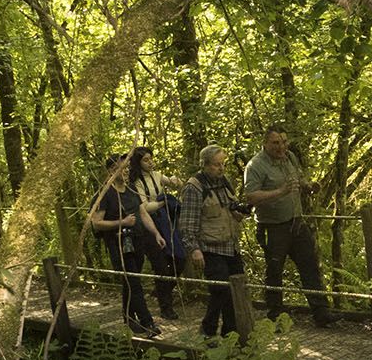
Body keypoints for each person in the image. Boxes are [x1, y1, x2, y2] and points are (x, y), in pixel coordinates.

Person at [243, 125, 335, 327]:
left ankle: (321, 311)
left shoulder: (290, 157)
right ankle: (275, 315)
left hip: (297, 222)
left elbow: (298, 178)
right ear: (265, 143)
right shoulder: (255, 166)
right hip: (272, 227)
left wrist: (308, 186)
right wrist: (280, 192)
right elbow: (251, 196)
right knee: (275, 270)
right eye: (276, 143)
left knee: (310, 265)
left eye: (284, 142)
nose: (281, 146)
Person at [179, 145, 250, 340]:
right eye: (217, 165)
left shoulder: (224, 182)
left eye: (223, 164)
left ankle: (231, 334)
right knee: (220, 289)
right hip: (210, 247)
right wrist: (194, 249)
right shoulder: (194, 188)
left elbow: (231, 209)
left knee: (236, 291)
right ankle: (208, 330)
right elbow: (187, 224)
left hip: (231, 245)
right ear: (205, 165)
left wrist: (238, 213)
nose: (221, 168)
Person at [87, 155, 161, 338]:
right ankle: (148, 323)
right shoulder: (104, 194)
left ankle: (128, 317)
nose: (127, 171)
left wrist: (156, 233)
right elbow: (96, 223)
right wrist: (122, 222)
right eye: (123, 168)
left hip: (137, 241)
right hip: (118, 244)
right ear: (112, 171)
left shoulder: (131, 189)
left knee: (130, 282)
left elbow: (143, 213)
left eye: (127, 168)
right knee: (134, 283)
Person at [128, 145, 184, 320]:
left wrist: (176, 181)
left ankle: (162, 292)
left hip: (166, 223)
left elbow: (175, 183)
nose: (150, 162)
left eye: (151, 159)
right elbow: (143, 206)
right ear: (138, 162)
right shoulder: (135, 182)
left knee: (179, 259)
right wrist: (162, 202)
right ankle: (166, 306)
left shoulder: (158, 176)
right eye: (146, 160)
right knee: (161, 266)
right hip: (148, 226)